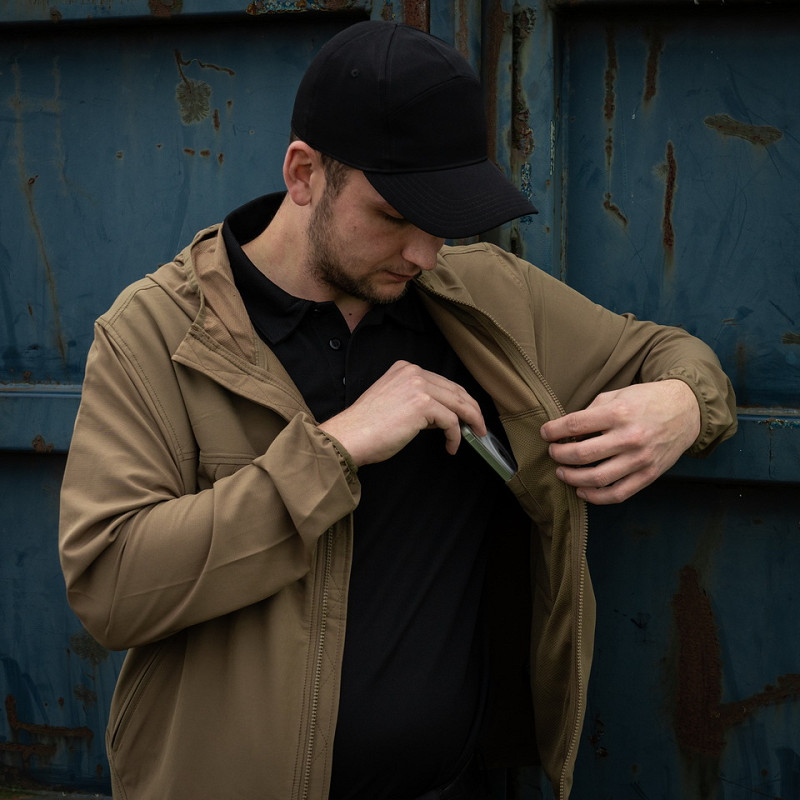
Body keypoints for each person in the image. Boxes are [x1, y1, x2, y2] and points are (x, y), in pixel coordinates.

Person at [58, 20, 736, 800]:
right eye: (393, 216)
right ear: (305, 173)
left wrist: (682, 406)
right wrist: (334, 449)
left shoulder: (484, 298)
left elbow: (667, 352)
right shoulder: (155, 333)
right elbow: (111, 586)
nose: (423, 252)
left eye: (442, 219)